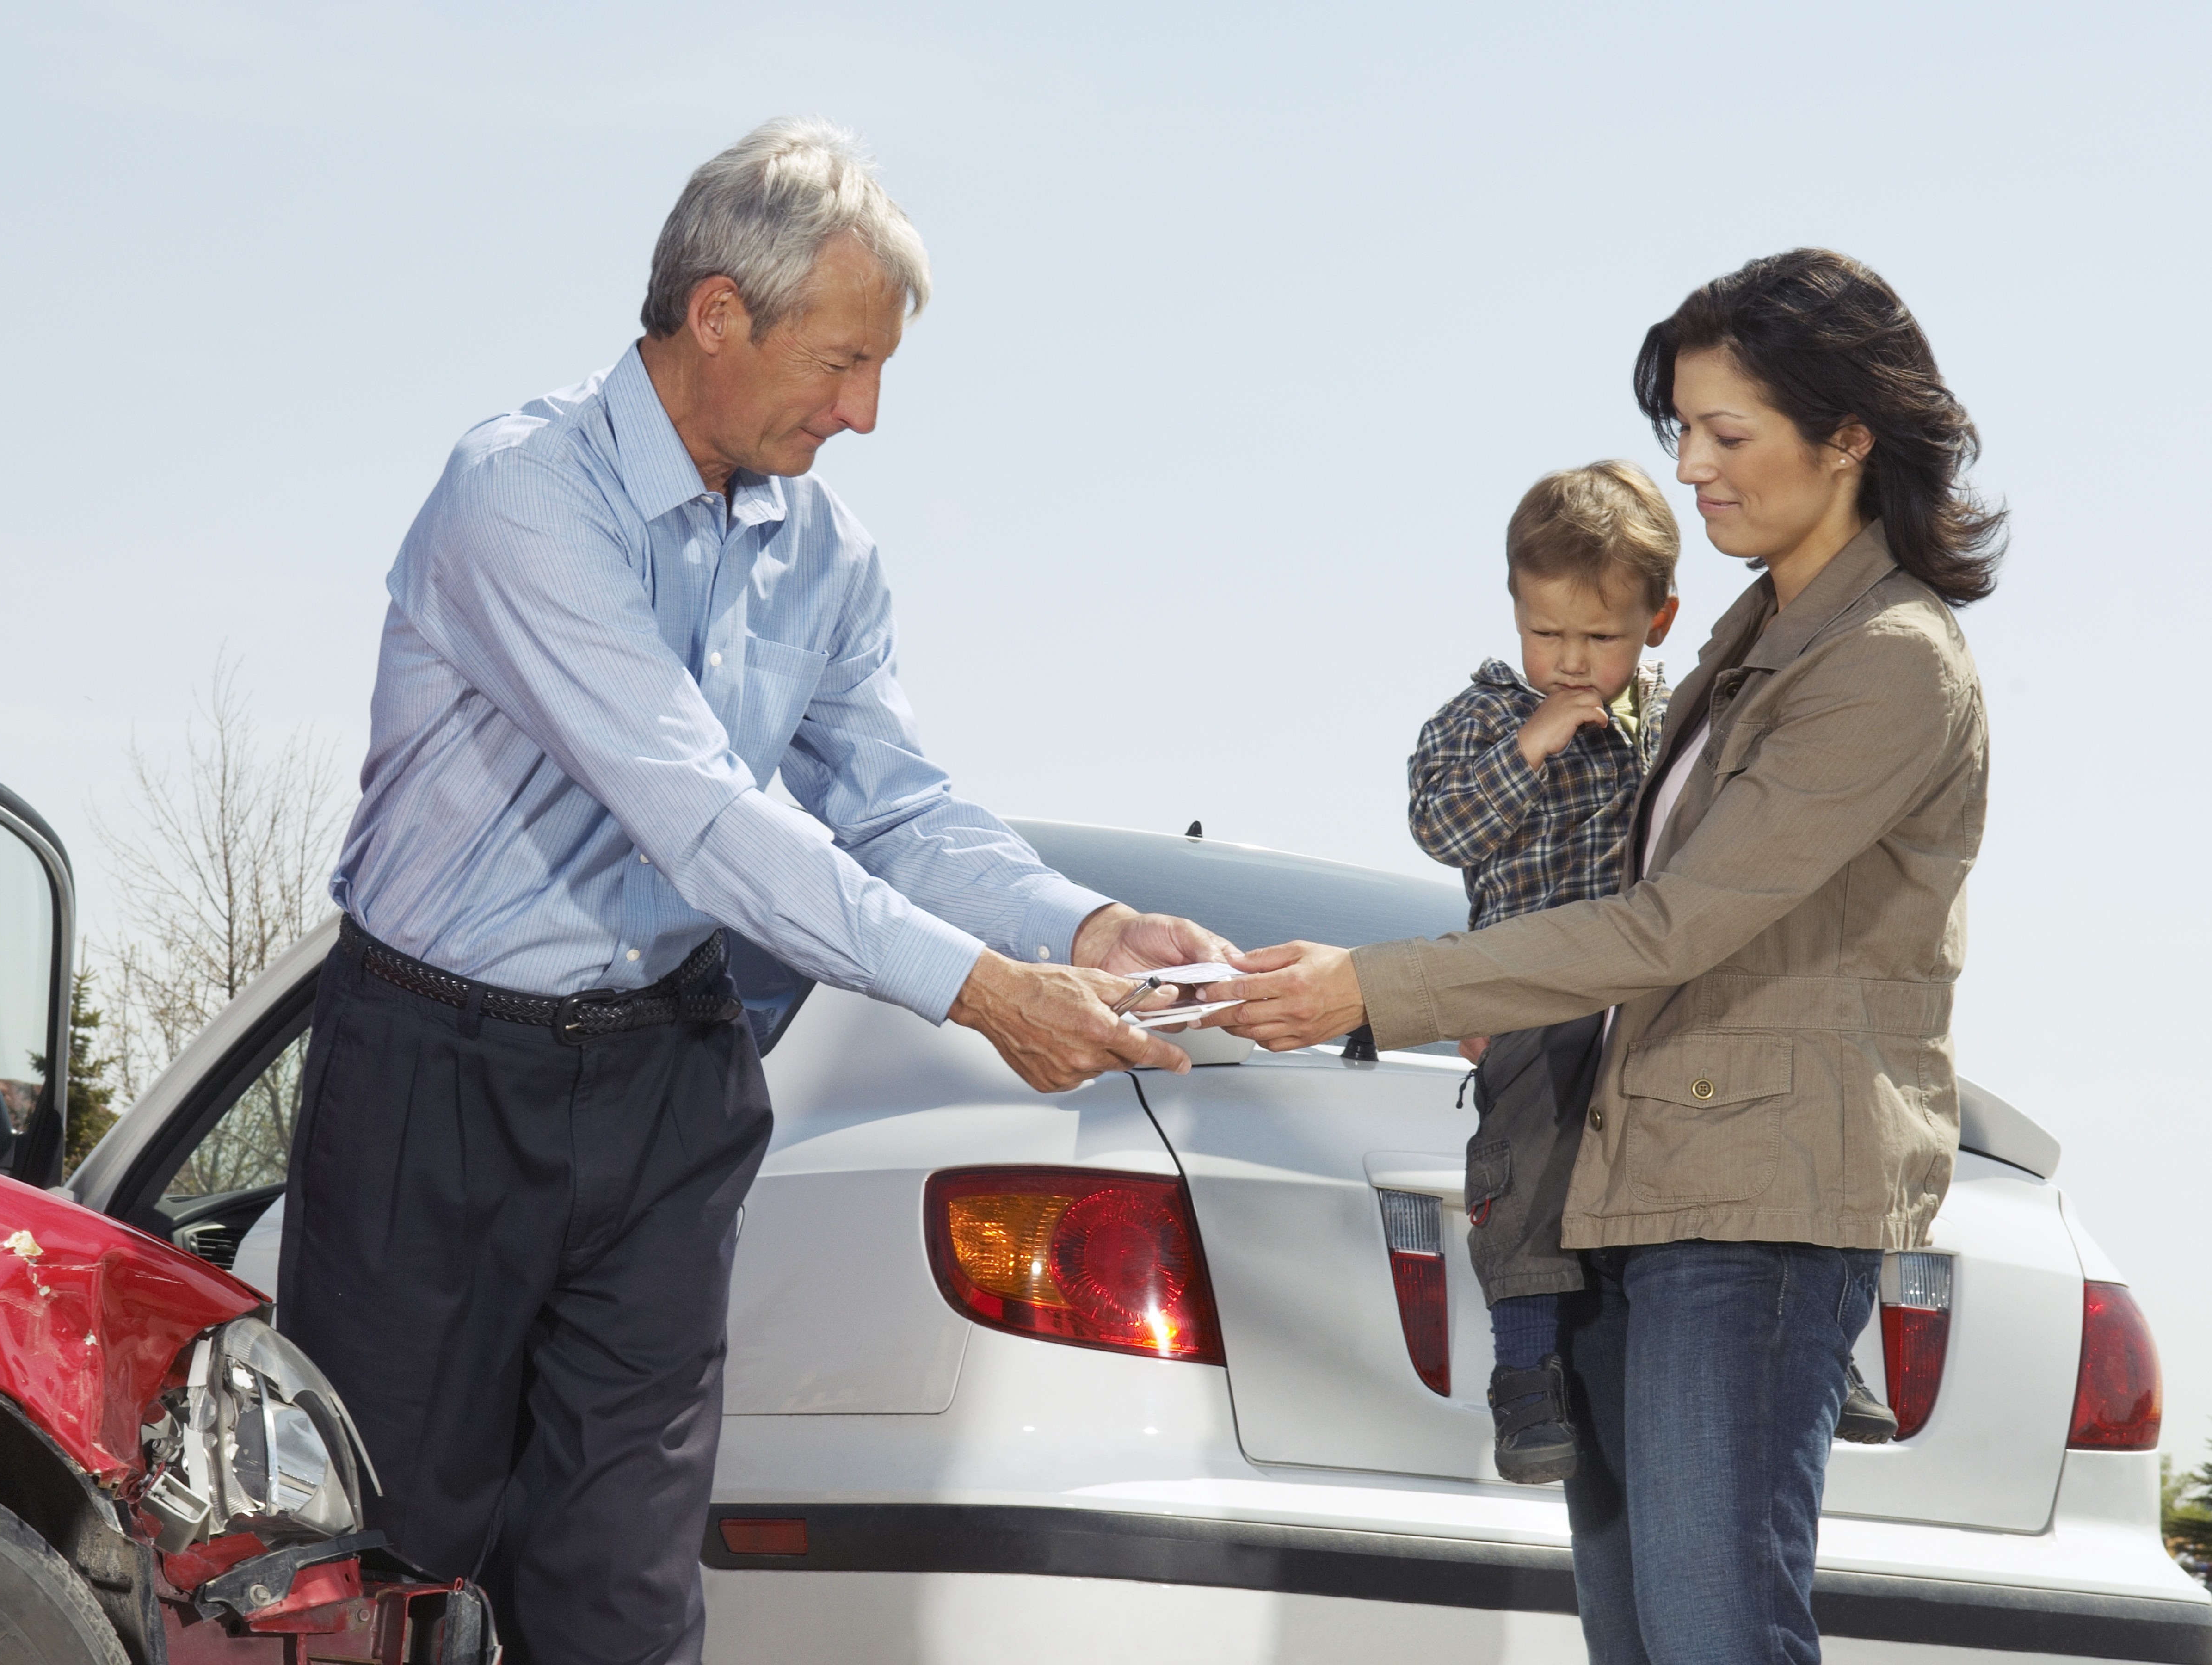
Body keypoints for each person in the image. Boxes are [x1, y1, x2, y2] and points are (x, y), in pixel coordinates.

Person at [277, 117, 1232, 1665]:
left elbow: (898, 807)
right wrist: (987, 996)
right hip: (431, 1080)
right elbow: (703, 819)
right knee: (382, 1567)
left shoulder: (832, 560)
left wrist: (1076, 927)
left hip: (663, 1078)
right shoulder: (520, 499)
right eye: (842, 363)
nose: (863, 413)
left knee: (624, 1583)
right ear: (718, 313)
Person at [1215, 248, 1998, 1663]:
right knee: (1637, 1641)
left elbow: (1670, 925)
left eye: (1727, 433)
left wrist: (1370, 989)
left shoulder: (1886, 660)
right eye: (1679, 430)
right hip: (1628, 1200)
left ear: (1846, 438)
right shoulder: (1736, 648)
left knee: (1710, 1635)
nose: (1690, 469)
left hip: (1753, 1212)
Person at [1405, 460, 1678, 1484]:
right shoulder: (1478, 720)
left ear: (1658, 622)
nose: (1569, 660)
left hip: (1647, 993)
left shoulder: (1671, 718)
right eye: (1546, 634)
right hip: (1530, 990)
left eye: (1599, 639)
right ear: (1514, 611)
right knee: (1522, 1165)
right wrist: (1534, 739)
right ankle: (1524, 1378)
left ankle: (1818, 1361)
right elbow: (1442, 829)